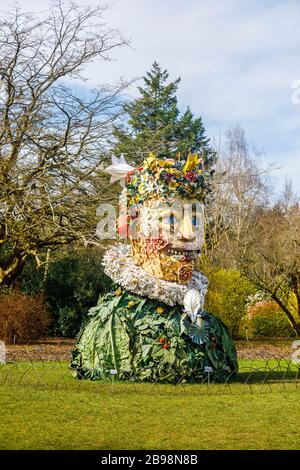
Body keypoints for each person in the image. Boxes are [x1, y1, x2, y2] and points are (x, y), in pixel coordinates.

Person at [70, 153, 238, 383]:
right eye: (170, 219)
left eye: (196, 220)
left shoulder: (207, 320)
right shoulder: (116, 319)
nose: (188, 233)